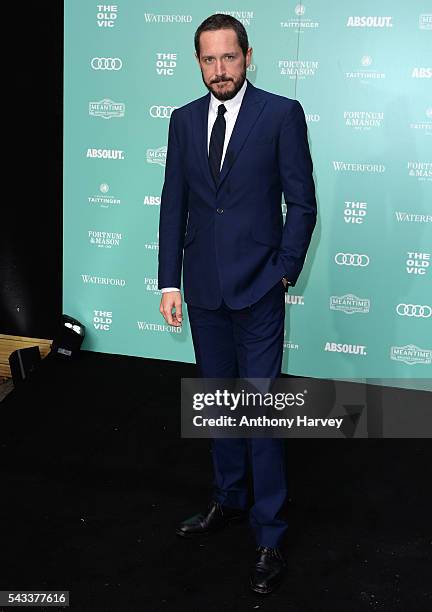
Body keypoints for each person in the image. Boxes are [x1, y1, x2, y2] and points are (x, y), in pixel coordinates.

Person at [158, 14, 316, 595]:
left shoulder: (280, 114)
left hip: (259, 289)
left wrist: (284, 272)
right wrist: (168, 282)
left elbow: (302, 202)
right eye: (208, 60)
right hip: (201, 289)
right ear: (197, 62)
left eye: (229, 58)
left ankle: (270, 533)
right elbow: (173, 203)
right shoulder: (181, 121)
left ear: (248, 56)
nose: (219, 70)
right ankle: (227, 498)